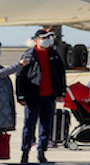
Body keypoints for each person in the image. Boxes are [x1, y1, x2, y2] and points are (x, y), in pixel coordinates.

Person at [16, 29, 67, 164]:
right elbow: (20, 76)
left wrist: (61, 93)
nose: (47, 39)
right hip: (32, 96)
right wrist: (20, 95)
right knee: (29, 125)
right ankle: (25, 152)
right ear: (36, 40)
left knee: (46, 125)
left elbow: (61, 74)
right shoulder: (29, 55)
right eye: (44, 37)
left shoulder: (54, 55)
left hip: (49, 96)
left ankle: (42, 152)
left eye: (49, 37)